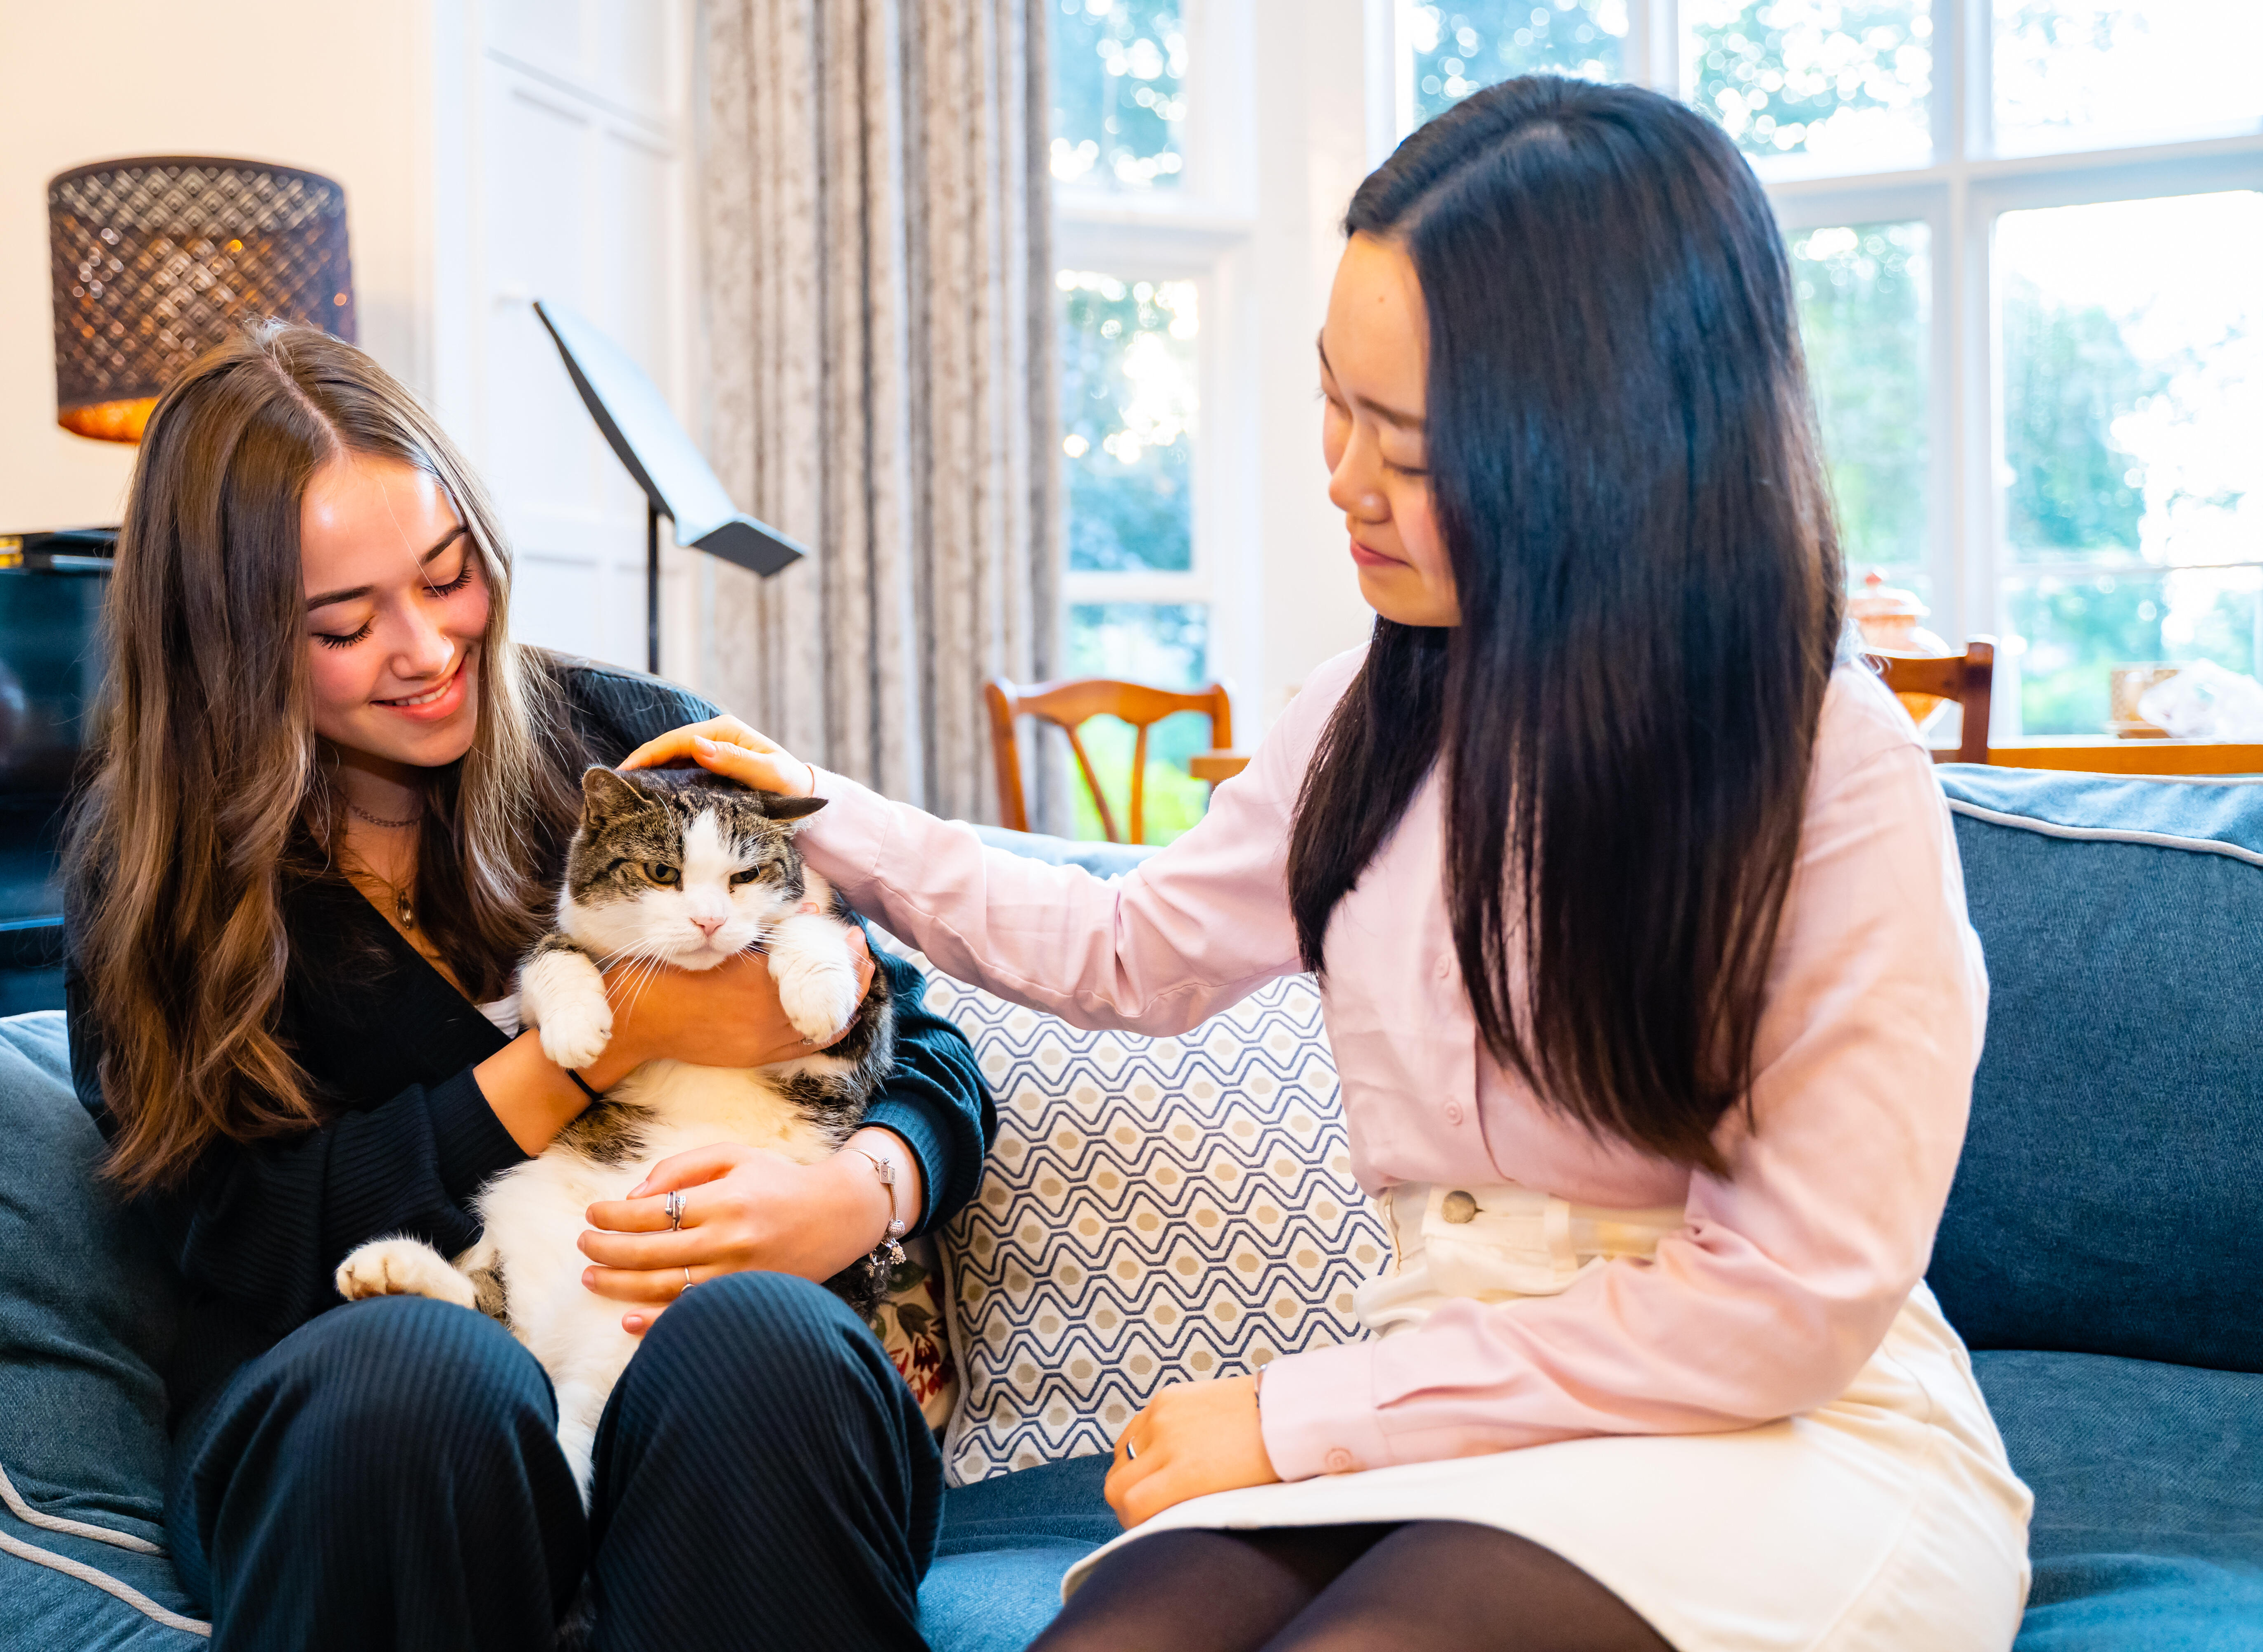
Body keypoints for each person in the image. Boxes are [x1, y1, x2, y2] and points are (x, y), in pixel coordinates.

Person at [622, 76, 2033, 1652]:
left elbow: (1785, 1305)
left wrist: (1303, 1418)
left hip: (1781, 1428)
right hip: (1455, 1409)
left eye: (1414, 449)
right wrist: (830, 814)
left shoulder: (1831, 772)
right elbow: (1123, 955)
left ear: (1612, 453)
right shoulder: (1364, 721)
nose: (1344, 479)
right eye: (1334, 401)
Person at [60, 320, 991, 1652]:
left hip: (693, 1385)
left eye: (448, 577)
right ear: (226, 638)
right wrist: (603, 1048)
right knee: (415, 1377)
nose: (428, 647)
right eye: (342, 623)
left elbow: (923, 1039)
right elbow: (247, 1238)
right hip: (356, 1414)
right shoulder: (157, 873)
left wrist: (857, 1194)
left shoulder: (624, 740)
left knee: (760, 1342)